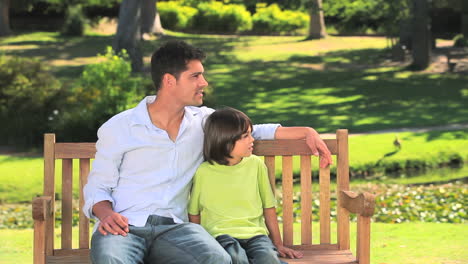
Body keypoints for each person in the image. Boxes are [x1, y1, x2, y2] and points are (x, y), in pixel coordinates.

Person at [83, 40, 332, 264]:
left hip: (176, 229)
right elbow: (98, 187)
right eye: (196, 76)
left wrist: (306, 131)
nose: (204, 83)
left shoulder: (203, 122)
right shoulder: (119, 127)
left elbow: (250, 131)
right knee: (111, 260)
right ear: (170, 80)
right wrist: (105, 215)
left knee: (216, 258)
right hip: (124, 227)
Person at [188, 107, 304, 264]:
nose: (252, 139)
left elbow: (268, 207)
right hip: (221, 237)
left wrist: (278, 244)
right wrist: (200, 245)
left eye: (250, 134)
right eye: (245, 136)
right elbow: (194, 213)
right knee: (236, 259)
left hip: (256, 236)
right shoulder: (204, 172)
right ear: (225, 140)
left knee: (269, 259)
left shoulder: (256, 165)